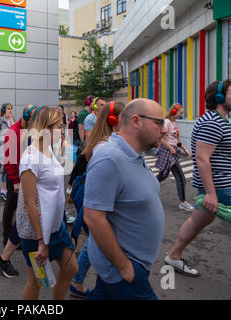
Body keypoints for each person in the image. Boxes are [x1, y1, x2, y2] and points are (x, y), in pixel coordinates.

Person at [83, 98, 167, 300]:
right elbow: (93, 217)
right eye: (159, 123)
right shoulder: (109, 158)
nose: (164, 130)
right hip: (124, 268)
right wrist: (124, 266)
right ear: (136, 121)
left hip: (127, 266)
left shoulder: (133, 153)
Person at [165, 79, 231, 277]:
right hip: (222, 186)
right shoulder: (212, 122)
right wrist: (210, 193)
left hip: (220, 184)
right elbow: (202, 158)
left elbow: (224, 157)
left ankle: (173, 257)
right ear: (219, 98)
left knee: (197, 221)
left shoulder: (220, 120)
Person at [16, 106, 78, 300]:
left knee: (71, 269)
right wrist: (41, 242)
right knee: (35, 280)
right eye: (59, 126)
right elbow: (29, 204)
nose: (63, 130)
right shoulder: (30, 158)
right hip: (36, 233)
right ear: (45, 128)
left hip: (55, 226)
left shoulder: (49, 148)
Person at [69, 100, 125, 298]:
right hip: (98, 202)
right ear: (113, 120)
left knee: (96, 240)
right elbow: (81, 170)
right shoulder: (104, 146)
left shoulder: (107, 141)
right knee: (98, 239)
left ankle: (77, 281)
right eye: (123, 117)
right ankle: (80, 281)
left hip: (97, 201)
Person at [0, 104, 39, 278]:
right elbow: (10, 159)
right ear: (28, 116)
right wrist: (15, 181)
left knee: (23, 210)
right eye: (34, 116)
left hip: (27, 176)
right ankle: (7, 237)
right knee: (11, 208)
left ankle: (15, 239)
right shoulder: (13, 131)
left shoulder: (33, 130)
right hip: (16, 177)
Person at [155, 103, 194, 212]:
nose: (181, 115)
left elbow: (177, 140)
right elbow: (160, 138)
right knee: (180, 175)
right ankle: (183, 202)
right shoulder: (167, 122)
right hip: (168, 151)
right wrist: (170, 148)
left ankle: (148, 186)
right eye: (180, 113)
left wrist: (185, 150)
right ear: (173, 112)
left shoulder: (174, 123)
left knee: (164, 174)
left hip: (173, 150)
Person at [0, 103, 15, 201]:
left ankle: (5, 189)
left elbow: (15, 131)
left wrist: (11, 119)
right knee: (5, 170)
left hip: (11, 148)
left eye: (11, 108)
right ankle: (4, 190)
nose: (10, 110)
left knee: (8, 170)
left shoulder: (12, 120)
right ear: (4, 110)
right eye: (8, 109)